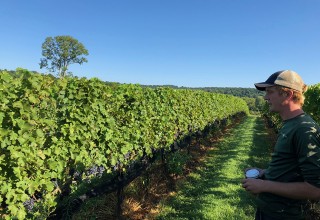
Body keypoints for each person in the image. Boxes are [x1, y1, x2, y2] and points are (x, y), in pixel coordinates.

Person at [241, 70, 320, 220]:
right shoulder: (290, 124)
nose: (265, 97)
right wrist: (264, 173)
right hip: (270, 211)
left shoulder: (304, 130)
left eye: (270, 92)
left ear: (288, 94)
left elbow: (315, 189)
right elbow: (292, 169)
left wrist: (264, 186)